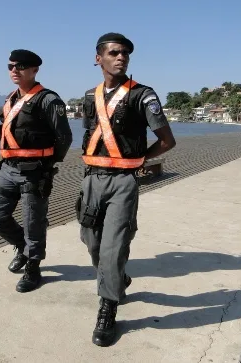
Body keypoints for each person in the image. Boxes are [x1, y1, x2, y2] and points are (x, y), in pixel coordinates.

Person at [77, 33, 176, 346]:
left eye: (126, 54)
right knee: (90, 240)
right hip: (91, 179)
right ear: (98, 58)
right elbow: (92, 136)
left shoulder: (142, 95)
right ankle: (117, 277)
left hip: (123, 183)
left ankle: (108, 306)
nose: (121, 58)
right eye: (114, 53)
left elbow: (167, 140)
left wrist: (136, 161)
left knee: (112, 247)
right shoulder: (88, 96)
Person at [0, 49, 72, 293]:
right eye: (11, 66)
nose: (15, 70)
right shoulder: (10, 98)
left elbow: (64, 137)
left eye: (21, 66)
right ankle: (23, 248)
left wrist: (47, 165)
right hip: (7, 169)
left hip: (34, 172)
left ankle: (33, 267)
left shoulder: (48, 100)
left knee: (34, 222)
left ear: (35, 70)